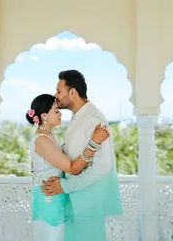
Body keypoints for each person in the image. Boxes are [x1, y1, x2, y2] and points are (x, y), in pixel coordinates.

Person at [42, 70, 122, 241]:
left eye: (59, 91)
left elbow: (102, 168)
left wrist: (65, 186)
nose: (55, 96)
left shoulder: (94, 119)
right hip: (76, 204)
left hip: (89, 205)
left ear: (72, 92)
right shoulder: (80, 117)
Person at [26, 93, 110, 241]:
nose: (60, 114)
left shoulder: (48, 136)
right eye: (56, 111)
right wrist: (94, 143)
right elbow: (72, 168)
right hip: (49, 203)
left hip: (56, 200)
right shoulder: (42, 140)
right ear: (45, 116)